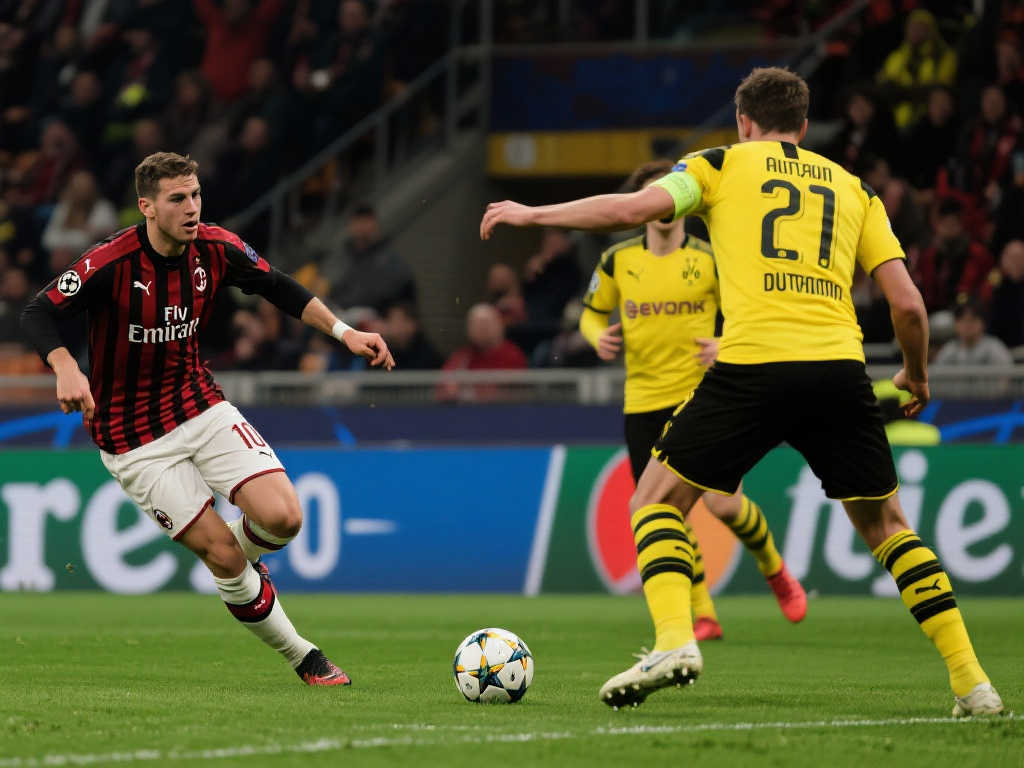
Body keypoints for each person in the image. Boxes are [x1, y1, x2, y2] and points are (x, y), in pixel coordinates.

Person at [480, 67, 1004, 718]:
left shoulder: (719, 164)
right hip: (838, 371)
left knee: (654, 500)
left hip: (753, 364)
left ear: (742, 120)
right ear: (804, 126)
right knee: (888, 527)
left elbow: (633, 209)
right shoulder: (856, 189)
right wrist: (916, 375)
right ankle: (973, 684)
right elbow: (909, 306)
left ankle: (674, 641)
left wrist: (534, 212)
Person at [21, 152, 394, 686]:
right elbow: (38, 311)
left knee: (284, 518)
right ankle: (305, 657)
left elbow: (278, 285)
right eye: (177, 199)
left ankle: (240, 563)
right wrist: (64, 367)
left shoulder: (216, 247)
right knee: (223, 556)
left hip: (199, 404)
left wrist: (345, 333)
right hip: (133, 438)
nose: (191, 207)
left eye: (195, 195)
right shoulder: (111, 262)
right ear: (147, 206)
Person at [579, 159, 807, 642]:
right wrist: (598, 336)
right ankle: (703, 613)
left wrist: (725, 343)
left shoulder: (710, 258)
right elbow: (592, 314)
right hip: (643, 401)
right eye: (651, 195)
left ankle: (774, 569)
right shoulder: (618, 260)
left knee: (725, 506)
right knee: (665, 513)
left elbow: (751, 315)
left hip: (702, 398)